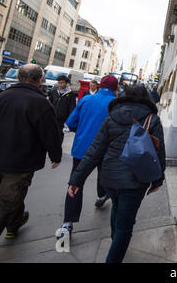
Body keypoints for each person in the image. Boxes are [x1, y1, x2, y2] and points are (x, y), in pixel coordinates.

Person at [68, 84, 166, 263]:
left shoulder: (112, 117)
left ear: (125, 96)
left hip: (110, 176)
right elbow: (159, 153)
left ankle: (116, 242)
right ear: (146, 98)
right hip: (137, 180)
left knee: (117, 207)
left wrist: (77, 179)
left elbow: (95, 150)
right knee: (125, 225)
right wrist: (157, 181)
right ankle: (114, 254)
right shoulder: (152, 119)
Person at [0, 64, 61, 252]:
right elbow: (50, 134)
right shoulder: (40, 102)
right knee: (5, 202)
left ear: (19, 78)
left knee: (10, 194)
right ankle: (12, 221)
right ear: (39, 80)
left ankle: (14, 224)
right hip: (20, 163)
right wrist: (55, 155)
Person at [57, 75, 118, 239]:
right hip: (106, 150)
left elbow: (70, 124)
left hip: (82, 149)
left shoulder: (85, 100)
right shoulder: (116, 105)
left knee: (76, 183)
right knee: (103, 176)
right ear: (116, 89)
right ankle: (101, 196)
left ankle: (67, 224)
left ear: (100, 86)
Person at [48, 75, 76, 143]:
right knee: (49, 134)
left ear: (66, 83)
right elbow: (49, 103)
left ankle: (57, 149)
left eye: (62, 82)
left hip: (62, 120)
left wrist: (69, 121)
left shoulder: (71, 94)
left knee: (59, 136)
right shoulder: (54, 92)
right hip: (52, 118)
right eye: (59, 82)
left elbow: (71, 108)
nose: (60, 84)